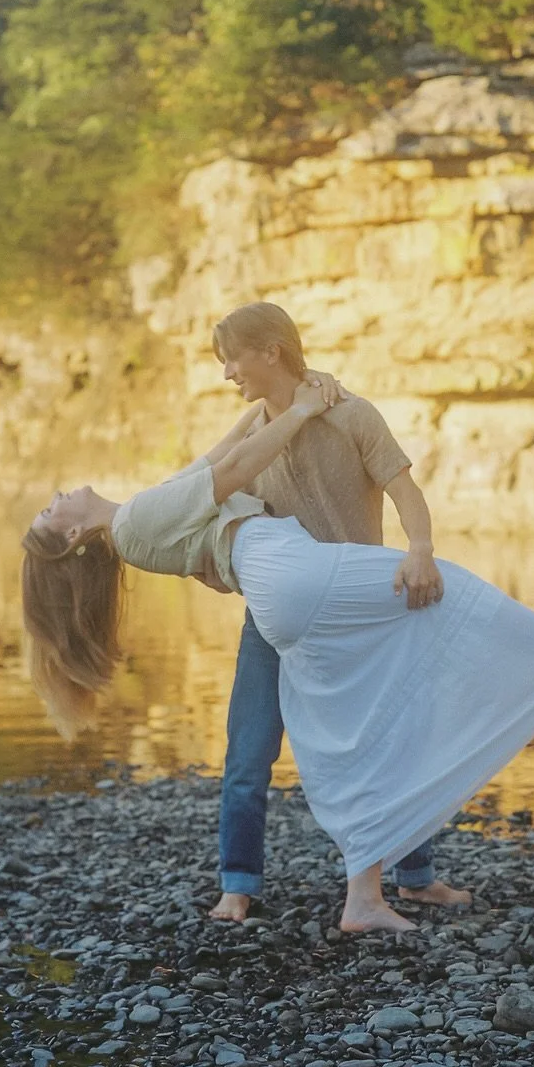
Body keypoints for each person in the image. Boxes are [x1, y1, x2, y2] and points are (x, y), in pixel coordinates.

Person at [20, 383, 534, 933]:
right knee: (261, 749)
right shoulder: (135, 523)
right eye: (53, 511)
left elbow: (217, 456)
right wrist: (300, 411)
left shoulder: (141, 511)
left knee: (387, 719)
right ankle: (241, 886)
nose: (58, 494)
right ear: (75, 534)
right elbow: (234, 470)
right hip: (286, 598)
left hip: (299, 591)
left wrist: (274, 397)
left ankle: (407, 878)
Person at [202, 302, 467, 923]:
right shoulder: (249, 433)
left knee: (392, 745)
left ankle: (415, 877)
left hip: (358, 614)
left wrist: (421, 549)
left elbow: (407, 493)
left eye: (231, 359)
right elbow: (196, 487)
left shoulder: (353, 414)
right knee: (248, 752)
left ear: (271, 351)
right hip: (274, 618)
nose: (226, 374)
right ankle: (237, 886)